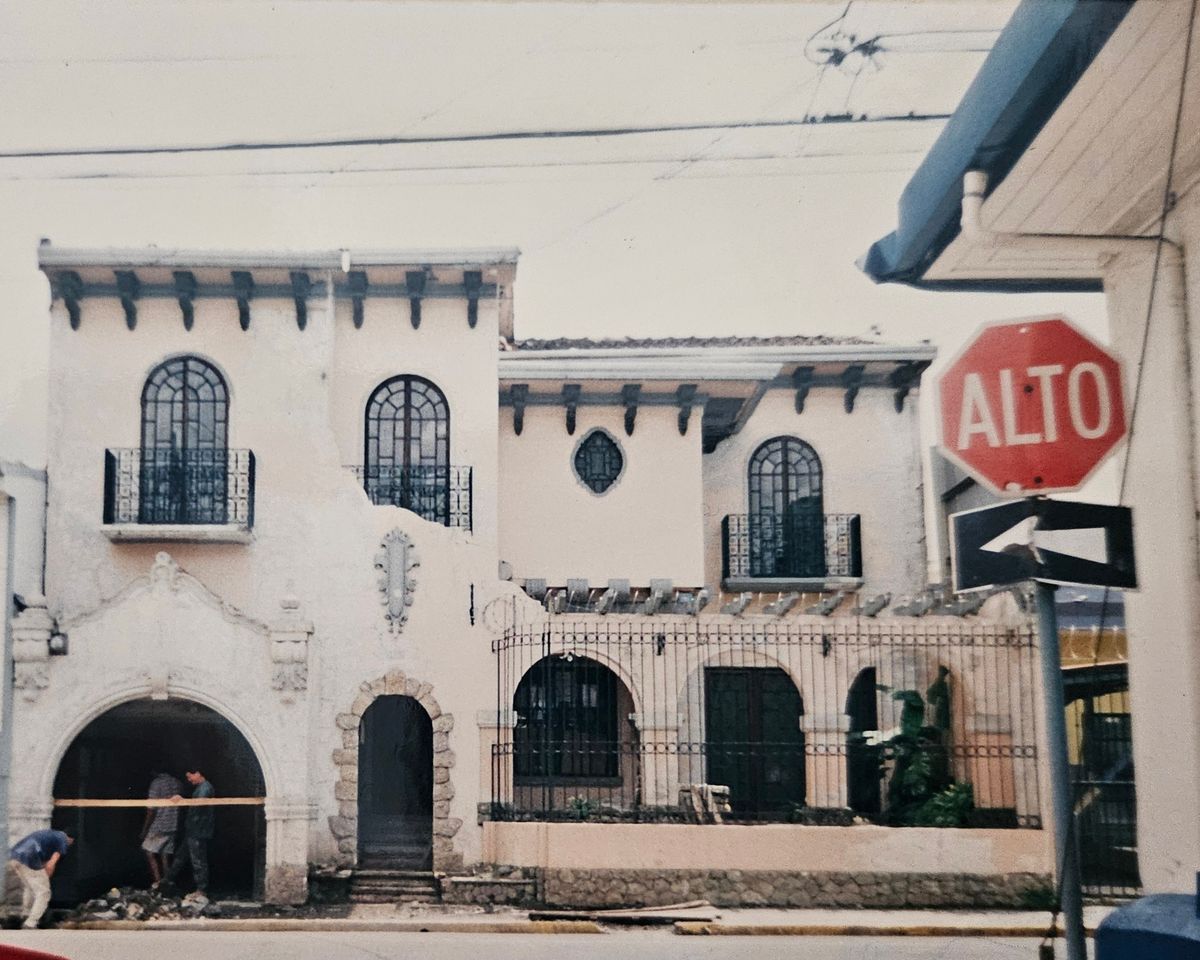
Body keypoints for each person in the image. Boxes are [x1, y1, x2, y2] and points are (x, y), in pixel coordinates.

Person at [163, 767, 214, 901]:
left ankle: (201, 890)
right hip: (193, 830)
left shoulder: (205, 788)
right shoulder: (201, 788)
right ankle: (167, 882)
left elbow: (198, 805)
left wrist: (182, 800)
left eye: (189, 776)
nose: (189, 780)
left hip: (198, 831)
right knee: (180, 856)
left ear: (198, 773)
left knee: (198, 860)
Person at [8, 828, 73, 929]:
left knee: (30, 888)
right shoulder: (62, 840)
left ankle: (26, 914)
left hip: (14, 856)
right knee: (44, 892)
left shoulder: (48, 834)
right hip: (29, 858)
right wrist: (47, 878)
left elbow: (43, 861)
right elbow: (51, 864)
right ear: (70, 839)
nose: (69, 845)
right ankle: (31, 923)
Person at [140, 764, 183, 885]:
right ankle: (167, 880)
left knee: (148, 851)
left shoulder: (156, 784)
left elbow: (151, 810)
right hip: (172, 824)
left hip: (159, 824)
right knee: (165, 853)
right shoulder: (177, 783)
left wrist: (144, 829)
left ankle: (157, 881)